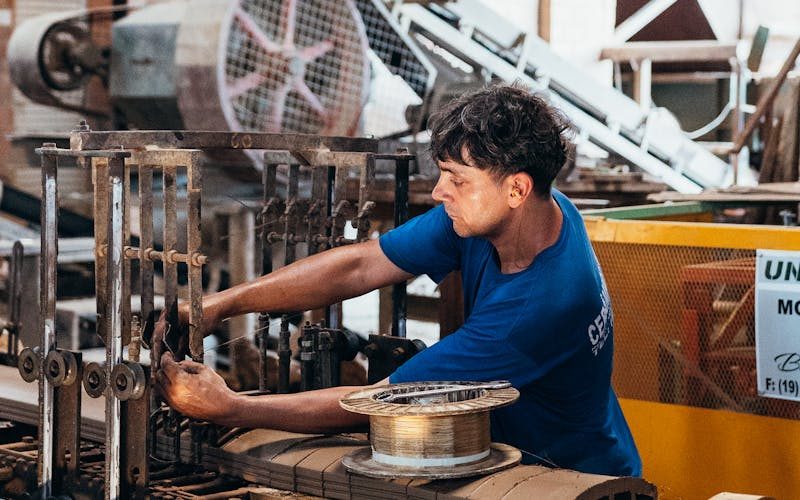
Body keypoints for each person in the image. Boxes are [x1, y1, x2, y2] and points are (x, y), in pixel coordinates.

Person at [155, 83, 642, 477]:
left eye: (457, 178)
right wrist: (221, 303)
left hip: (570, 478)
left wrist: (231, 408)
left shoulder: (539, 308)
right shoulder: (527, 213)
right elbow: (362, 264)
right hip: (530, 449)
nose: (438, 191)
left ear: (516, 188)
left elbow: (380, 401)